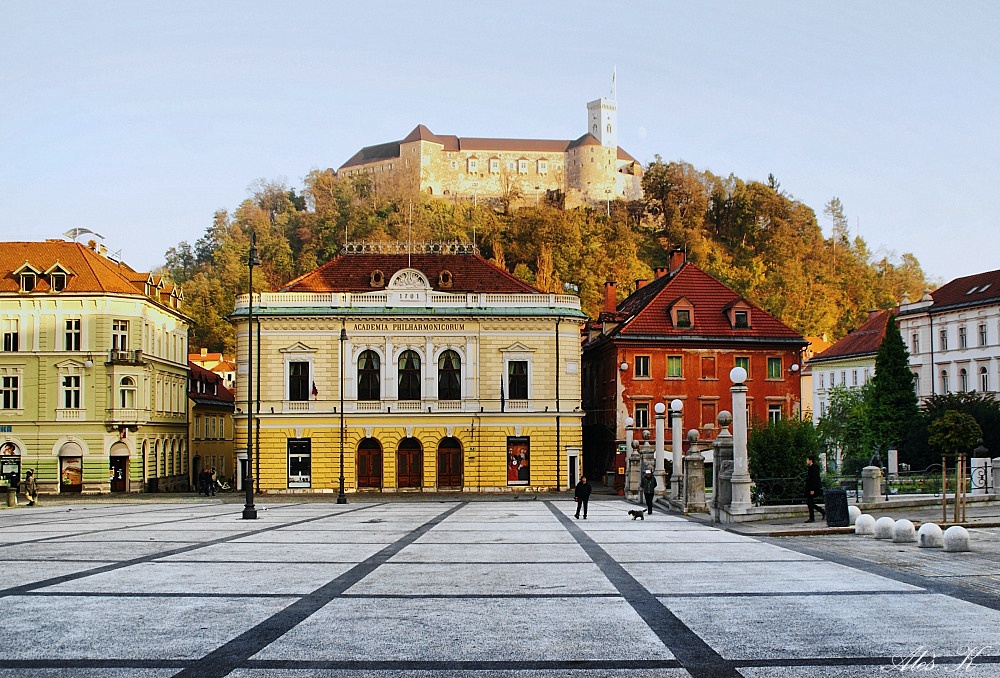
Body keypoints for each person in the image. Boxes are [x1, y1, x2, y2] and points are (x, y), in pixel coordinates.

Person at [805, 456, 825, 523]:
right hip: (811, 488)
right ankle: (822, 511)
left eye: (807, 460)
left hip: (813, 488)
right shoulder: (811, 468)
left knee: (809, 502)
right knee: (809, 502)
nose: (806, 461)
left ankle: (812, 517)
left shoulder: (813, 468)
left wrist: (812, 489)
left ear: (810, 460)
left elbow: (814, 479)